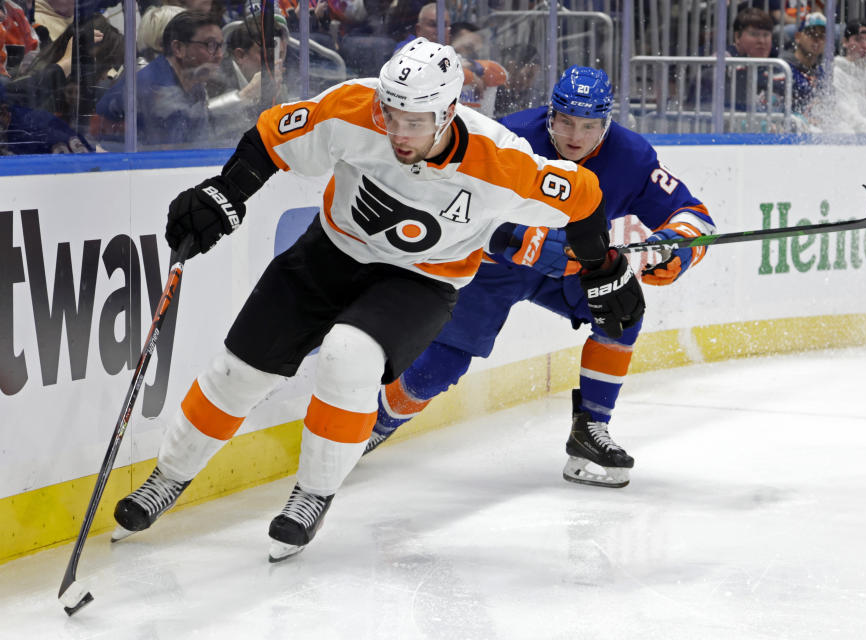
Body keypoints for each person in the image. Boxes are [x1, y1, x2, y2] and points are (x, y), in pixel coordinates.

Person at [109, 40, 644, 560]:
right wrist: (225, 193)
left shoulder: (500, 160)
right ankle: (167, 479)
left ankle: (313, 492)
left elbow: (583, 199)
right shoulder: (354, 107)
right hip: (329, 252)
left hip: (422, 280)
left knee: (350, 356)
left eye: (416, 122)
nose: (399, 132)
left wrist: (604, 270)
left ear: (450, 111)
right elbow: (272, 138)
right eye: (392, 115)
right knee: (239, 371)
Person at [366, 66, 714, 489]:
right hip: (490, 268)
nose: (575, 136)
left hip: (569, 265)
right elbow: (446, 204)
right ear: (550, 114)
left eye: (589, 126)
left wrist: (675, 247)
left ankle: (590, 430)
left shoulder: (632, 157)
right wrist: (509, 237)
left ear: (607, 122)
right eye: (566, 121)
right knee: (439, 368)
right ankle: (375, 424)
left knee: (621, 309)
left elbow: (694, 216)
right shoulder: (506, 137)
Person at [94, 10, 225, 149]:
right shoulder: (155, 88)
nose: (220, 55)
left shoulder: (192, 82)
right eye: (211, 45)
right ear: (179, 48)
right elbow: (171, 155)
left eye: (220, 46)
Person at [781, 10, 827, 117]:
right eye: (811, 34)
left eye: (821, 36)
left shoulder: (820, 72)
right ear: (798, 37)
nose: (816, 40)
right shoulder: (784, 67)